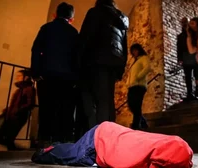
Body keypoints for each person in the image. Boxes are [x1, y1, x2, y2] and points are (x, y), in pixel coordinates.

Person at [32, 121, 193, 168]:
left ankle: (59, 144)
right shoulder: (169, 153)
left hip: (109, 133)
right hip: (100, 139)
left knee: (76, 151)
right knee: (72, 156)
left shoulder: (176, 146)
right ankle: (46, 151)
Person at [76, 0, 129, 133]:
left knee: (94, 100)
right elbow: (125, 46)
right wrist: (120, 69)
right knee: (107, 100)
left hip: (95, 60)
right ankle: (109, 136)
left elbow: (85, 38)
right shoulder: (122, 18)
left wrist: (78, 63)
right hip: (113, 63)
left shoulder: (95, 12)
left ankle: (98, 138)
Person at [31, 2, 78, 146]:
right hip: (67, 78)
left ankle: (45, 140)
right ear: (71, 18)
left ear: (55, 15)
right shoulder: (74, 32)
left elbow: (36, 51)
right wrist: (76, 77)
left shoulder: (46, 28)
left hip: (47, 75)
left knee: (46, 108)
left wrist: (35, 72)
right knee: (65, 110)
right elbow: (77, 56)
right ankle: (62, 142)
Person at [0, 70, 35, 150]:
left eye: (19, 76)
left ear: (25, 77)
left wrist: (18, 111)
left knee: (6, 139)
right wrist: (7, 111)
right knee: (2, 139)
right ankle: (20, 152)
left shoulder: (29, 89)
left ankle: (22, 152)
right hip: (10, 117)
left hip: (18, 117)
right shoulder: (20, 90)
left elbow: (30, 104)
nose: (17, 78)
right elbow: (15, 104)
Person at [126, 43, 151, 130]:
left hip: (139, 86)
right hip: (132, 86)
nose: (134, 52)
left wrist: (138, 76)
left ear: (139, 50)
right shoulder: (135, 62)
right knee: (131, 105)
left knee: (136, 105)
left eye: (135, 50)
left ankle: (136, 125)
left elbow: (147, 68)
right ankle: (143, 122)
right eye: (132, 51)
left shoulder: (144, 58)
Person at [177, 17, 198, 102]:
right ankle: (190, 94)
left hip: (194, 56)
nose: (184, 23)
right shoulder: (180, 36)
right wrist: (180, 59)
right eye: (182, 22)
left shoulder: (193, 33)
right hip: (185, 57)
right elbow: (179, 48)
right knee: (188, 77)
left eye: (185, 22)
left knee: (197, 75)